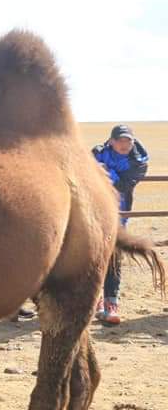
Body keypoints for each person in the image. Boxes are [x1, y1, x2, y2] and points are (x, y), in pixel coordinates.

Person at [93, 124, 149, 325]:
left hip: (118, 215)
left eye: (128, 141)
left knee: (114, 257)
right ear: (111, 141)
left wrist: (105, 172)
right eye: (120, 140)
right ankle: (95, 301)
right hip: (93, 214)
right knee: (91, 257)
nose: (125, 145)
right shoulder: (96, 153)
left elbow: (123, 185)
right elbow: (88, 178)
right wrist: (100, 173)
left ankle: (111, 304)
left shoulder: (138, 161)